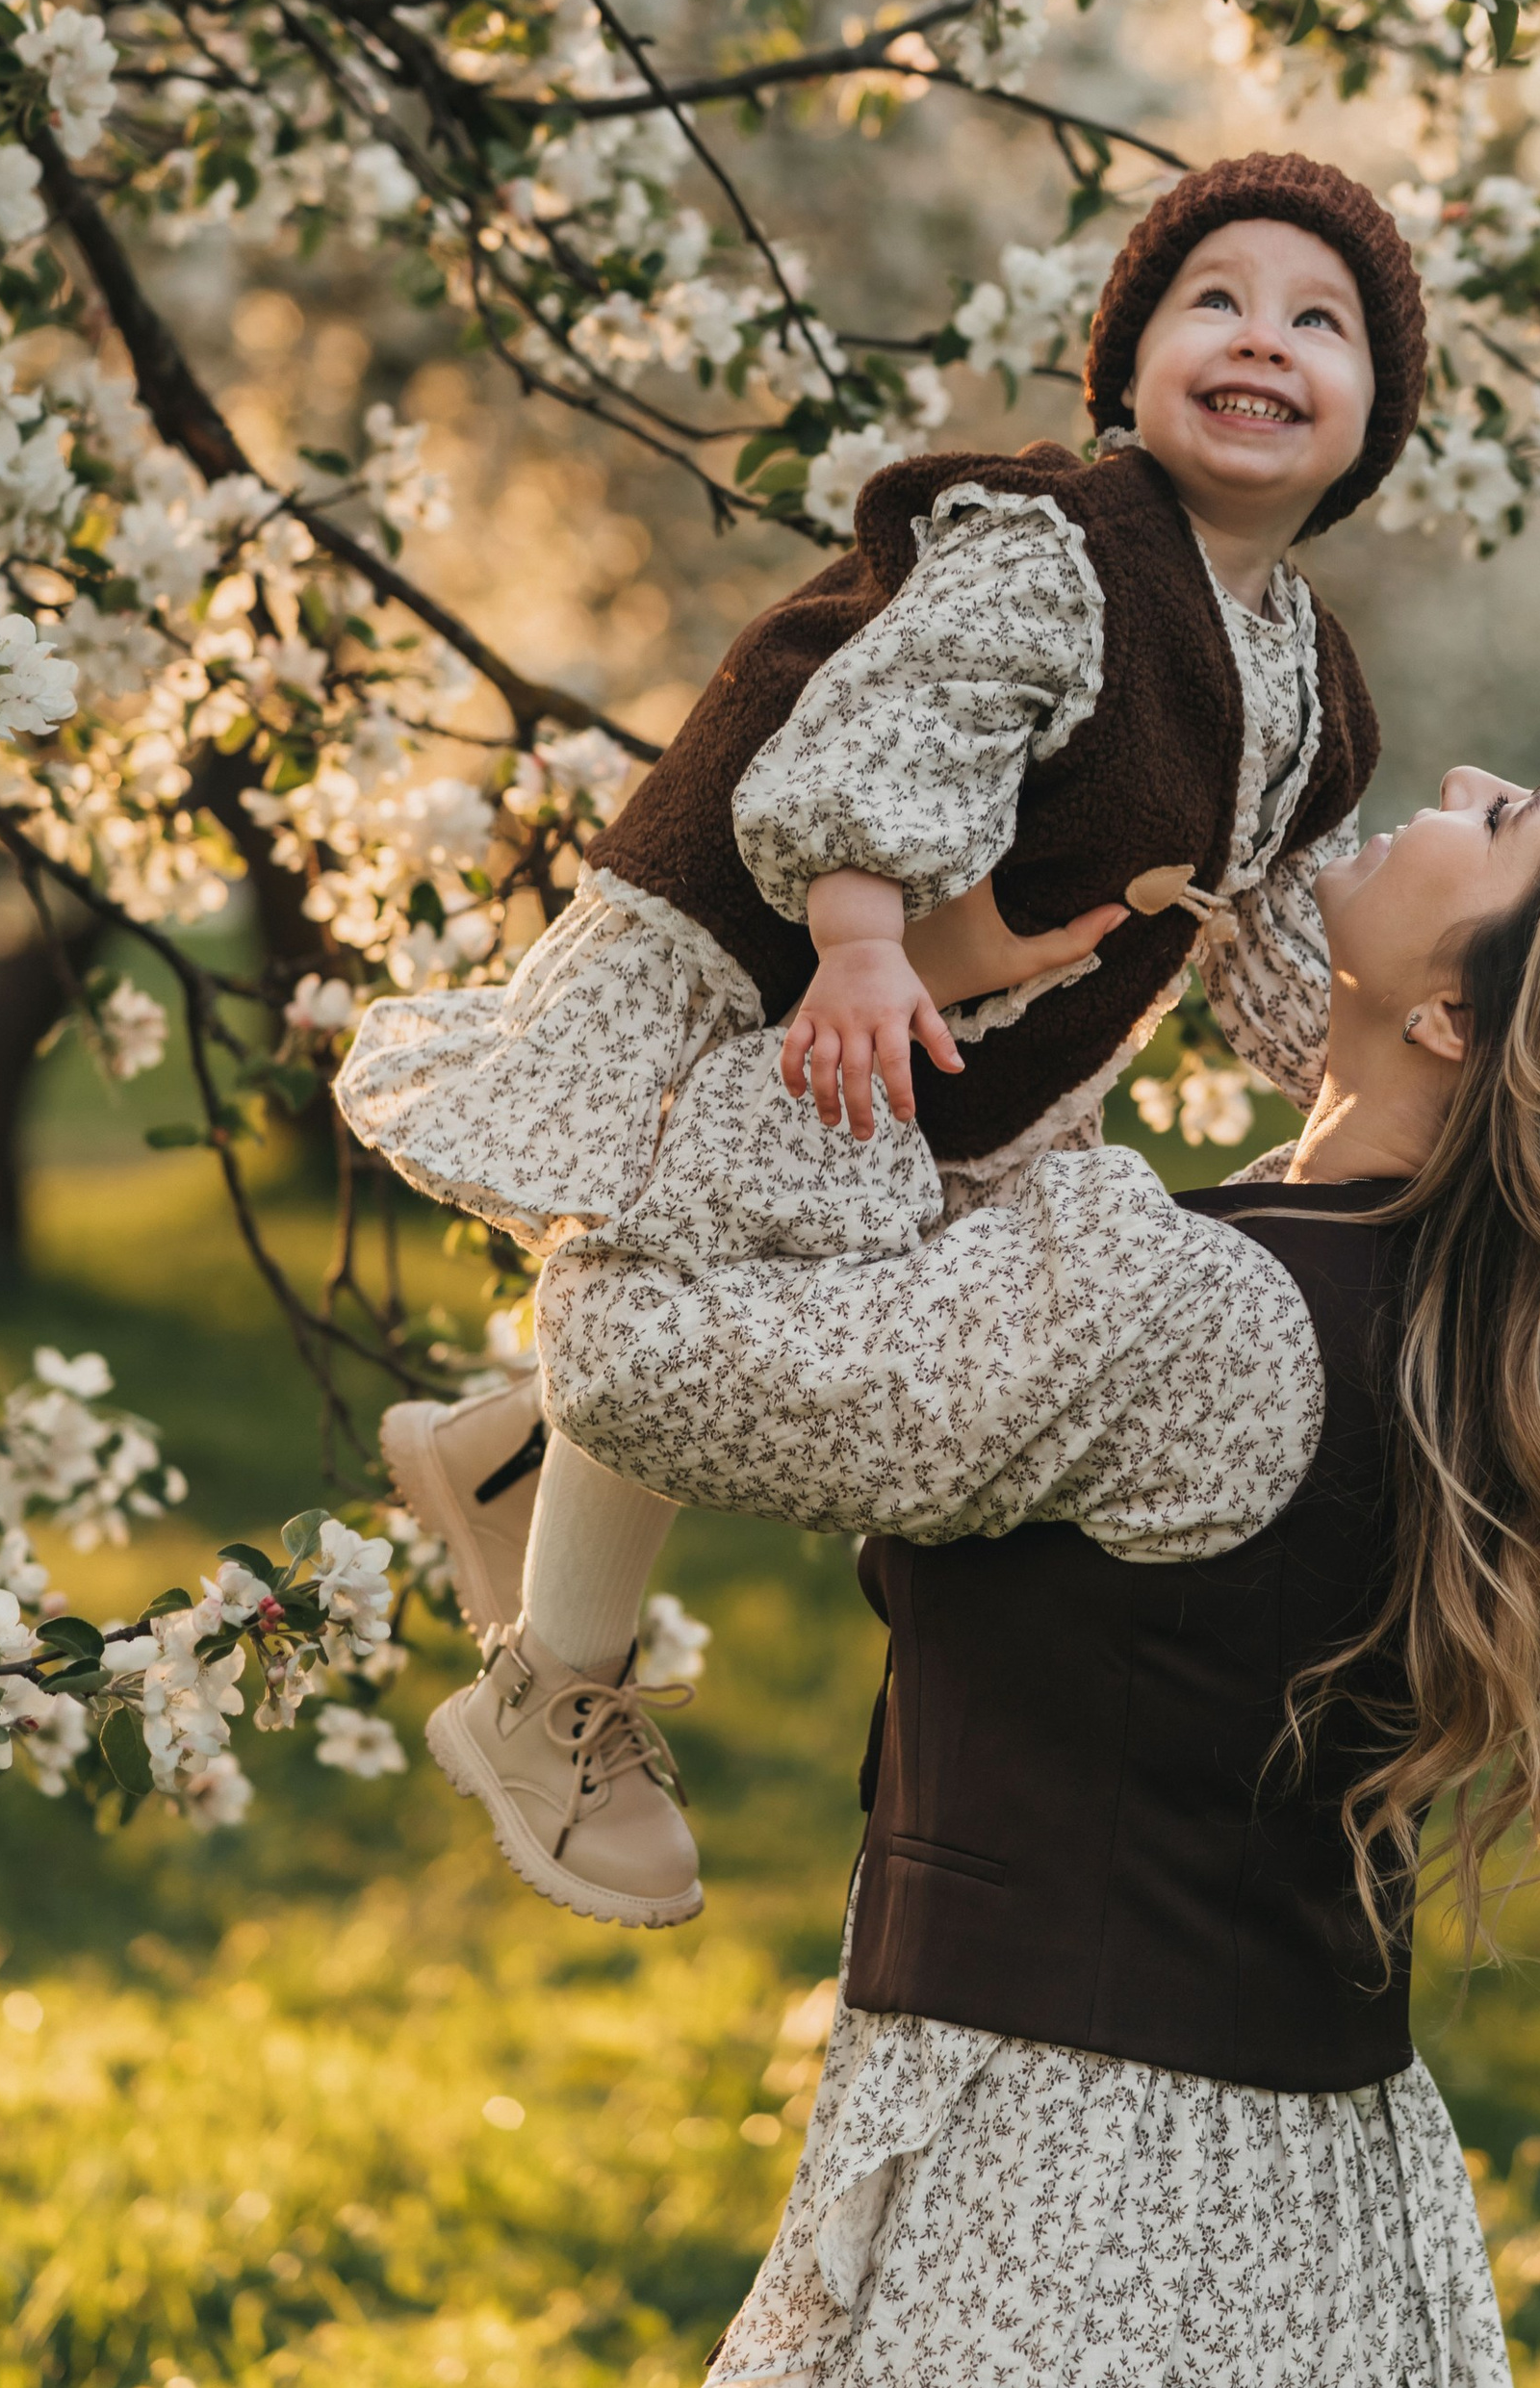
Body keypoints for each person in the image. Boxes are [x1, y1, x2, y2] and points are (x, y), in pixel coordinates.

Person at [535, 763, 1540, 2388]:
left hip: (1071, 2206)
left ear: (1449, 1012)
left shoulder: (1189, 1316)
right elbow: (1261, 924)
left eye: (1501, 820)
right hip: (1310, 2199)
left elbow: (636, 1374)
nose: (1454, 783)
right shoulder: (1512, 1339)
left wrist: (723, 1057)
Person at [336, 154, 1428, 1930]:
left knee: (856, 1306)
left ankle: (513, 1451)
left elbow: (1284, 932)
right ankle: (545, 1690)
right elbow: (886, 732)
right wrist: (853, 936)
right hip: (796, 969)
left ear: (1371, 421)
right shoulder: (1055, 551)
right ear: (1128, 368)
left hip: (953, 1052)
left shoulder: (1311, 677)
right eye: (1213, 300)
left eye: (1323, 323)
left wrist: (1405, 1081)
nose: (1264, 340)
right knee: (715, 1265)